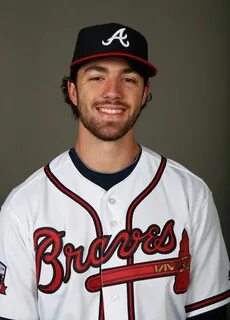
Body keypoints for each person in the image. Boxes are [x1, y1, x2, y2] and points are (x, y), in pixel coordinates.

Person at [0, 22, 229, 320]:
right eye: (96, 77)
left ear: (146, 92)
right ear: (72, 90)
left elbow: (209, 315)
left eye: (129, 79)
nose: (112, 92)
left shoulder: (191, 195)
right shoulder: (23, 208)